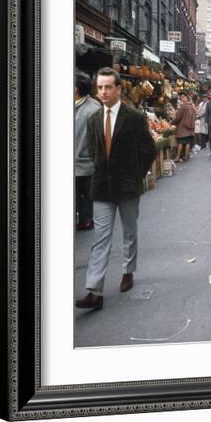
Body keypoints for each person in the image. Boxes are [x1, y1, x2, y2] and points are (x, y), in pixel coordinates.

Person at [76, 68, 157, 310]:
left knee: (129, 232)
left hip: (128, 187)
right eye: (99, 87)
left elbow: (149, 149)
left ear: (118, 89)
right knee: (100, 239)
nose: (103, 92)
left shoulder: (133, 117)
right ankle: (94, 290)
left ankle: (128, 271)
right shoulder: (93, 120)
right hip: (101, 187)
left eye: (108, 87)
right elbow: (93, 151)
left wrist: (137, 174)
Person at [75, 70, 101, 231]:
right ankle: (85, 219)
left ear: (76, 88)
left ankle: (85, 220)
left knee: (84, 193)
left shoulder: (93, 109)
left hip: (85, 161)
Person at [172, 93, 196, 162]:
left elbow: (178, 118)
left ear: (186, 98)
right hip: (189, 128)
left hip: (182, 128)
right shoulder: (192, 106)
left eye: (183, 97)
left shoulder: (183, 107)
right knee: (187, 142)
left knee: (180, 143)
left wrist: (173, 122)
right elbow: (194, 116)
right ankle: (186, 156)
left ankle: (177, 157)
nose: (181, 98)